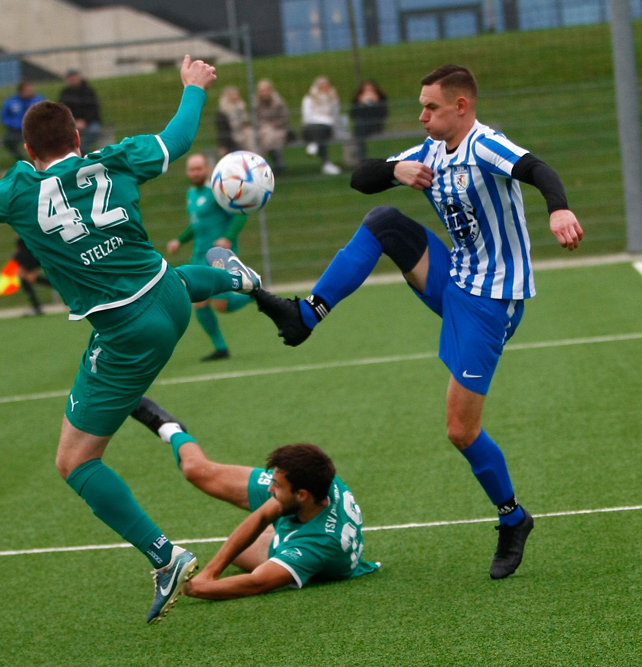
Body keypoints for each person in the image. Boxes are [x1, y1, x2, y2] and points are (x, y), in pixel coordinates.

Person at [0, 56, 265, 625]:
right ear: (79, 135)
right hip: (172, 294)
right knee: (168, 277)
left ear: (28, 153)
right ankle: (235, 276)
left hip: (128, 331)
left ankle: (166, 557)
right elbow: (177, 138)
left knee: (75, 461)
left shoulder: (15, 191)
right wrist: (192, 87)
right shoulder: (117, 159)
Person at [234, 64, 584, 580]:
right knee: (383, 222)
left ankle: (514, 518)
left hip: (491, 301)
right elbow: (360, 179)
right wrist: (394, 171)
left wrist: (558, 209)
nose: (421, 116)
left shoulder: (486, 145)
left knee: (460, 430)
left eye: (431, 107)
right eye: (420, 106)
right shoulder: (426, 152)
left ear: (461, 107)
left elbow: (539, 170)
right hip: (453, 278)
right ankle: (307, 314)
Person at [129, 397, 380, 599]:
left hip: (306, 544)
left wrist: (193, 587)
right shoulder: (318, 479)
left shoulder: (313, 547)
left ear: (301, 494)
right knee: (197, 472)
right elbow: (263, 513)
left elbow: (256, 583)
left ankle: (274, 534)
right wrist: (211, 572)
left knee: (239, 553)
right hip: (302, 522)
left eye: (277, 485)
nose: (270, 489)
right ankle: (170, 429)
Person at [166, 153, 252, 361]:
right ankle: (221, 348)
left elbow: (241, 213)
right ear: (187, 172)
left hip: (218, 255)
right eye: (191, 169)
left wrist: (228, 238)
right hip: (199, 256)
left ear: (207, 169)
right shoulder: (191, 194)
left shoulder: (218, 191)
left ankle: (254, 294)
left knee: (221, 306)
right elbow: (198, 225)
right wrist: (179, 240)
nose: (195, 172)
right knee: (200, 302)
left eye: (199, 168)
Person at [302, 76, 342, 175]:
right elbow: (307, 117)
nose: (324, 88)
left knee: (322, 130)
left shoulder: (333, 98)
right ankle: (326, 164)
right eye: (322, 86)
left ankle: (314, 144)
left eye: (326, 86)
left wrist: (325, 120)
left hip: (326, 129)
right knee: (317, 129)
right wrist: (323, 119)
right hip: (310, 128)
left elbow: (335, 116)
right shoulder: (309, 98)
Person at [58, 69, 103, 152]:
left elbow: (94, 109)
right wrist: (74, 121)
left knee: (94, 130)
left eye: (75, 77)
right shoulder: (65, 93)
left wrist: (85, 121)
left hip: (90, 122)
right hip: (72, 123)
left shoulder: (89, 91)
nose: (73, 79)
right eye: (71, 78)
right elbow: (63, 110)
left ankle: (81, 151)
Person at [0, 81, 45, 161]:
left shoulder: (39, 100)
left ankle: (37, 160)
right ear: (21, 91)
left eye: (31, 89)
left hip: (35, 130)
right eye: (27, 90)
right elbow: (4, 117)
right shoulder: (11, 102)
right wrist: (14, 124)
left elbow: (47, 114)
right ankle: (20, 159)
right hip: (16, 130)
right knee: (8, 141)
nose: (30, 92)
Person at [254, 79, 289, 175]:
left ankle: (259, 164)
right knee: (263, 135)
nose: (263, 93)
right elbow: (255, 120)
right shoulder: (257, 104)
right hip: (263, 130)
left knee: (268, 137)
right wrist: (264, 126)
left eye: (265, 90)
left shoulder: (278, 102)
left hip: (278, 130)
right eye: (261, 91)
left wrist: (273, 125)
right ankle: (275, 161)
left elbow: (285, 118)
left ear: (270, 90)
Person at [13, 235, 54, 315]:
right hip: (25, 254)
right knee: (25, 278)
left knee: (29, 278)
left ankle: (36, 306)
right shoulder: (20, 235)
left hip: (30, 254)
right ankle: (36, 306)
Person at [350, 80, 389, 161]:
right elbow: (354, 114)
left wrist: (374, 103)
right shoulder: (358, 99)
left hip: (376, 123)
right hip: (362, 125)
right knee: (360, 127)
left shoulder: (380, 98)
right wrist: (362, 104)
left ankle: (362, 157)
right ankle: (362, 156)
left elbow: (383, 114)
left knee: (360, 129)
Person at [215, 85, 253, 156]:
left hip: (242, 134)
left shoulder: (241, 107)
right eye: (233, 94)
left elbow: (245, 122)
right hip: (230, 140)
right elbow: (222, 131)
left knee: (250, 134)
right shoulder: (223, 112)